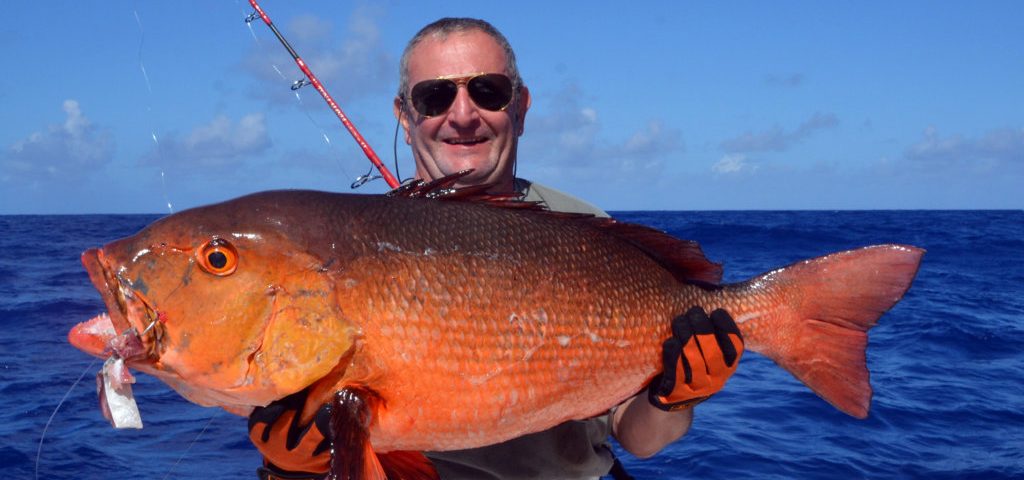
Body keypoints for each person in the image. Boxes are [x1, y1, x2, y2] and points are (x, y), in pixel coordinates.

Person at [248, 18, 743, 480]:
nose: (462, 115)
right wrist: (292, 467)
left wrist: (675, 398)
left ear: (521, 107)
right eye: (435, 96)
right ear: (405, 115)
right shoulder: (340, 253)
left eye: (488, 91)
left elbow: (639, 438)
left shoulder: (590, 234)